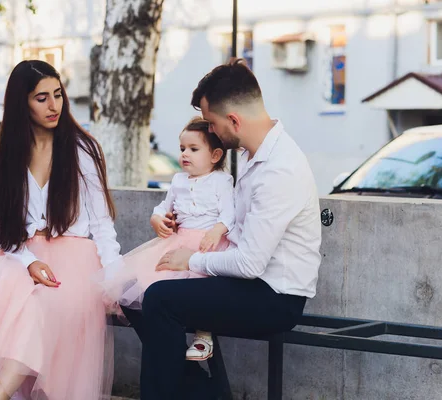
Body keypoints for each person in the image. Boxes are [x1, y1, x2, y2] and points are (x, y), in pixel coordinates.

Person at [121, 59, 322, 400]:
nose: (210, 131)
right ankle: (199, 390)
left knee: (159, 300)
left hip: (274, 296)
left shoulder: (279, 170)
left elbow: (249, 264)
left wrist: (192, 260)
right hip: (244, 279)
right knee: (134, 288)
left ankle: (192, 391)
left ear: (233, 120)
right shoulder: (252, 153)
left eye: (211, 123)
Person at [0, 60, 121, 400]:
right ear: (21, 102)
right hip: (18, 255)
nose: (54, 105)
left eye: (58, 94)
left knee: (42, 305)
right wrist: (28, 261)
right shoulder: (5, 154)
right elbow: (1, 227)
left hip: (74, 261)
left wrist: (115, 276)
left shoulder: (83, 150)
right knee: (7, 299)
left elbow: (102, 224)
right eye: (41, 98)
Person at [99, 116, 234, 362]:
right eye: (182, 148)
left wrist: (217, 230)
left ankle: (203, 336)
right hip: (178, 240)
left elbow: (230, 214)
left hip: (208, 245)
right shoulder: (178, 180)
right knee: (150, 281)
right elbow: (163, 207)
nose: (185, 154)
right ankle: (167, 340)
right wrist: (157, 219)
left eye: (194, 149)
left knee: (199, 287)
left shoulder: (221, 181)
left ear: (215, 156)